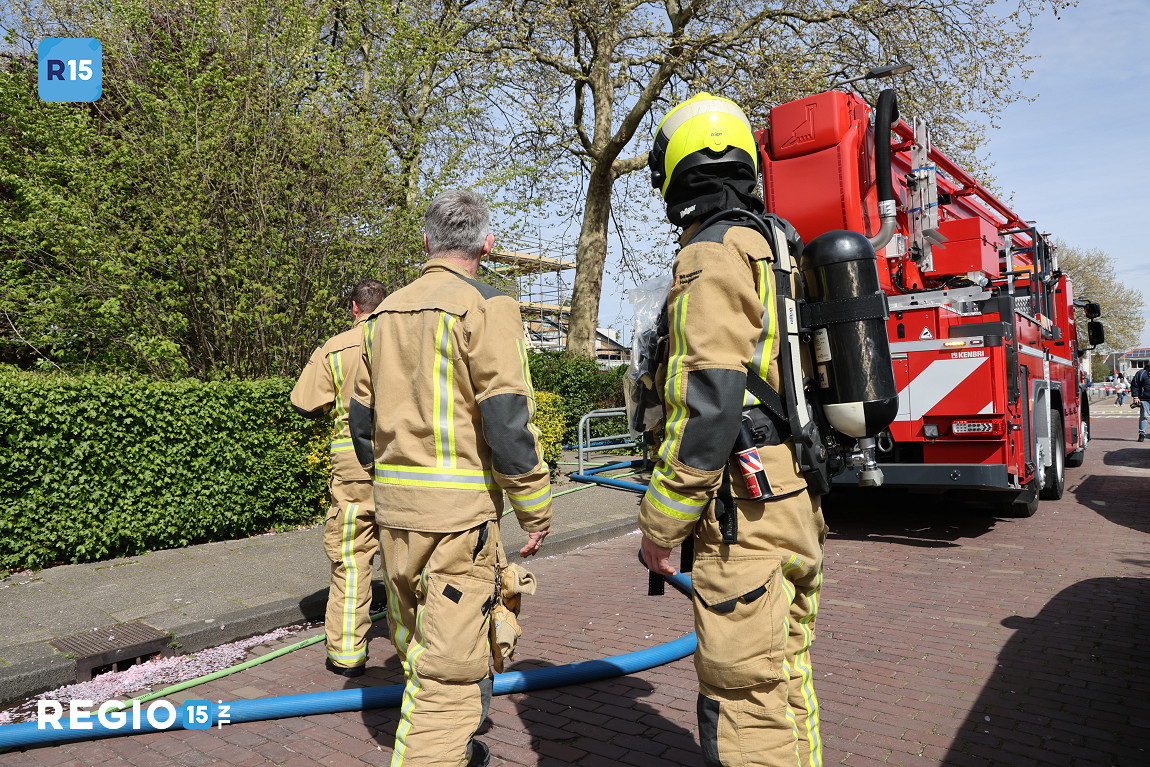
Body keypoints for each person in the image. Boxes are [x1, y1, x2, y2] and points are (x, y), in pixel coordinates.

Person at [638, 93, 828, 767]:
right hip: (794, 499)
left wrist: (661, 527)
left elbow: (707, 405)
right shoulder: (774, 243)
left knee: (745, 704)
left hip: (744, 516)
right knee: (785, 680)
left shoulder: (710, 255)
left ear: (674, 174)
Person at [349, 190, 552, 767]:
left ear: (425, 243)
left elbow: (362, 423)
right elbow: (509, 422)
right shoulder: (487, 308)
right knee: (452, 673)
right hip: (458, 525)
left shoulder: (380, 317)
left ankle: (458, 751)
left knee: (417, 645)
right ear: (487, 245)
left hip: (393, 517)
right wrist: (536, 509)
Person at [291, 279, 388, 677]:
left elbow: (303, 403)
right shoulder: (407, 340)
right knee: (409, 560)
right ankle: (420, 653)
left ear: (354, 308)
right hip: (407, 463)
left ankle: (347, 656)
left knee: (351, 559)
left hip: (353, 469)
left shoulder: (335, 347)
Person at [1130, 366, 1150, 442]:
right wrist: (1135, 397)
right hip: (1145, 399)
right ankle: (1142, 434)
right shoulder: (1141, 373)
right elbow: (1134, 384)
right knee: (1144, 417)